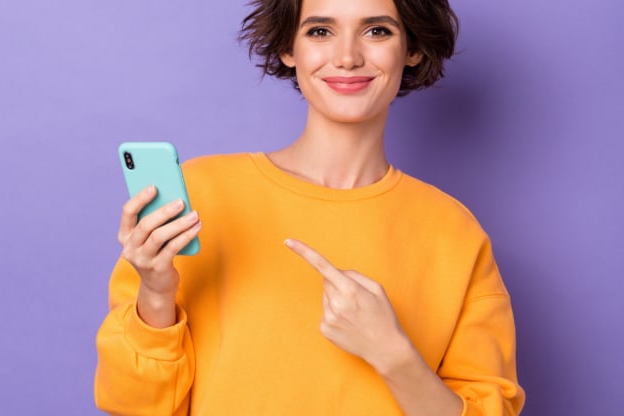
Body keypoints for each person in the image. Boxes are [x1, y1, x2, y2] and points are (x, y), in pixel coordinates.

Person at [94, 0, 526, 414]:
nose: (347, 57)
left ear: (411, 49)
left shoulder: (452, 231)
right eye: (320, 31)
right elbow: (135, 407)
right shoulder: (199, 198)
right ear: (288, 48)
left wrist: (393, 355)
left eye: (377, 31)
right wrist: (155, 293)